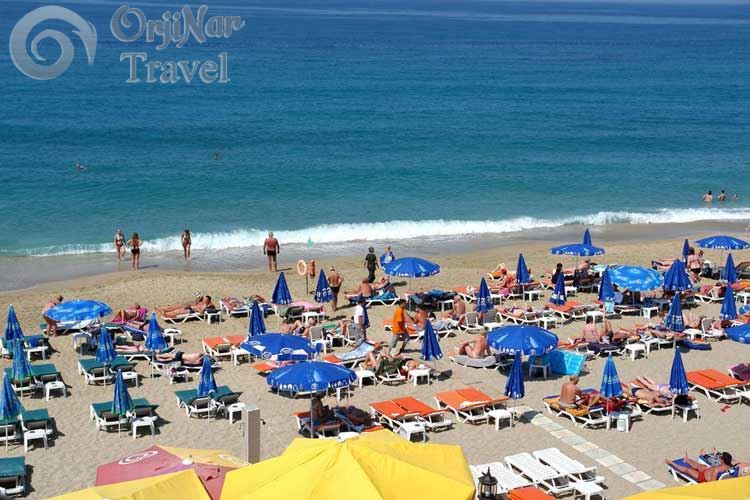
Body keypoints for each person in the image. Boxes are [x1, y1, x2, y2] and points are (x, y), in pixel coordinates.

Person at [666, 451, 733, 483]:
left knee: (688, 470)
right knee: (700, 466)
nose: (719, 458)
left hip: (703, 477)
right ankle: (687, 460)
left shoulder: (716, 471)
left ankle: (672, 463)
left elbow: (712, 484)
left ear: (723, 460)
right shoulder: (729, 466)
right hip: (707, 471)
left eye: (720, 457)